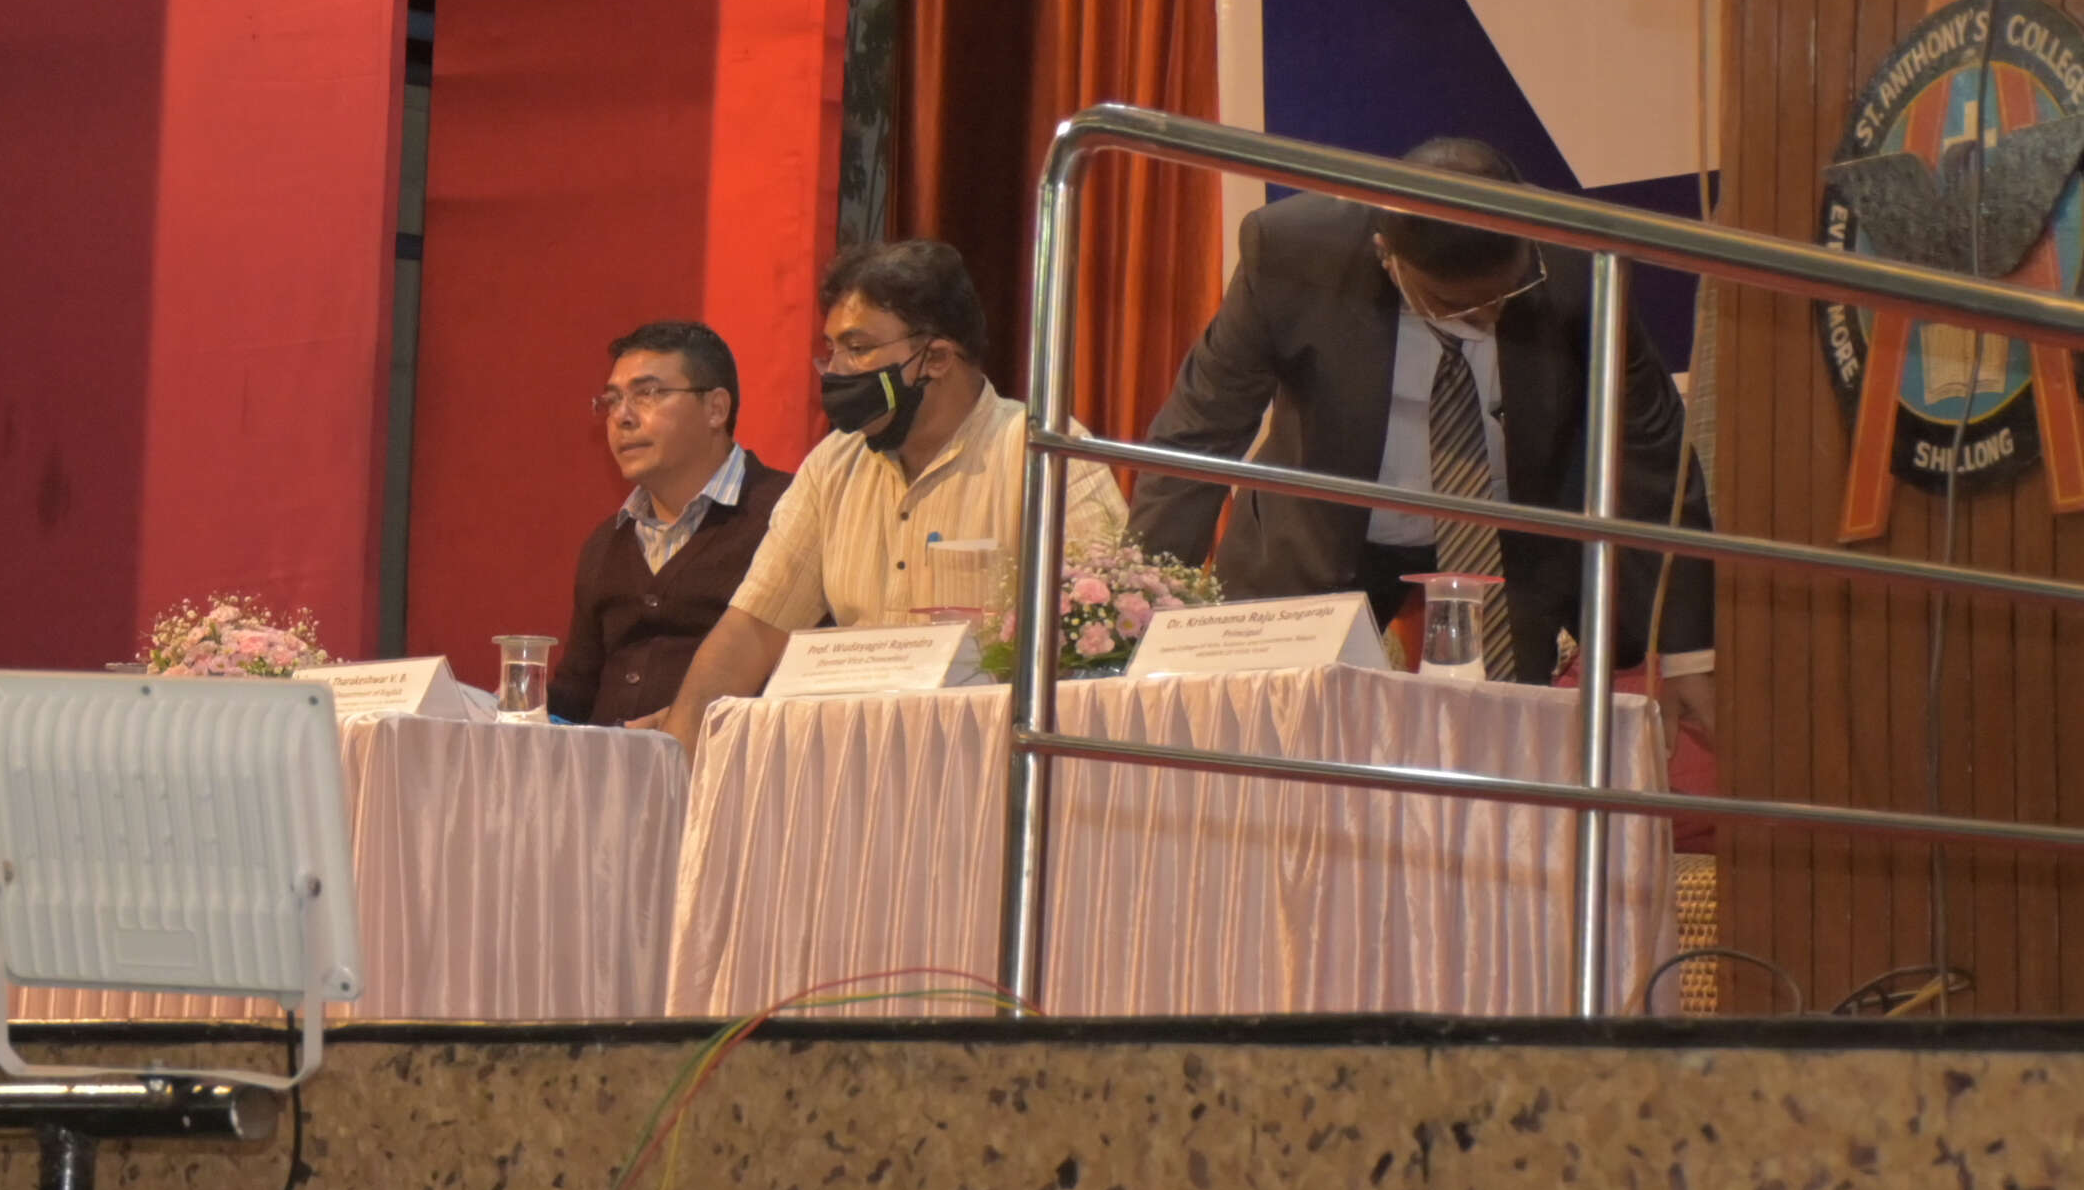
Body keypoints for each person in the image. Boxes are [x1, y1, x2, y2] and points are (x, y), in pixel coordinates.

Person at [1128, 136, 1714, 731]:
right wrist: (1141, 608)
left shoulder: (1580, 254)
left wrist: (1687, 651)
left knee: (1500, 741)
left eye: (1505, 295)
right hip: (1323, 534)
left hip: (1503, 541)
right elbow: (1201, 430)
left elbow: (1652, 447)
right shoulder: (1291, 249)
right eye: (1457, 307)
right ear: (1389, 257)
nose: (1488, 318)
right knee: (1283, 739)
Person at [653, 240, 1127, 752]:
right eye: (831, 349)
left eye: (857, 348)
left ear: (936, 358)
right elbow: (751, 630)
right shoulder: (833, 464)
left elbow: (1103, 645)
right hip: (853, 759)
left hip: (994, 762)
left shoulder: (1047, 454)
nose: (835, 371)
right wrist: (681, 752)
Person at [549, 321, 788, 726]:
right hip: (611, 763)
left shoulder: (788, 515)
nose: (622, 417)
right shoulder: (607, 543)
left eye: (648, 394)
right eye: (612, 400)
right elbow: (574, 696)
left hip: (731, 759)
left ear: (716, 409)